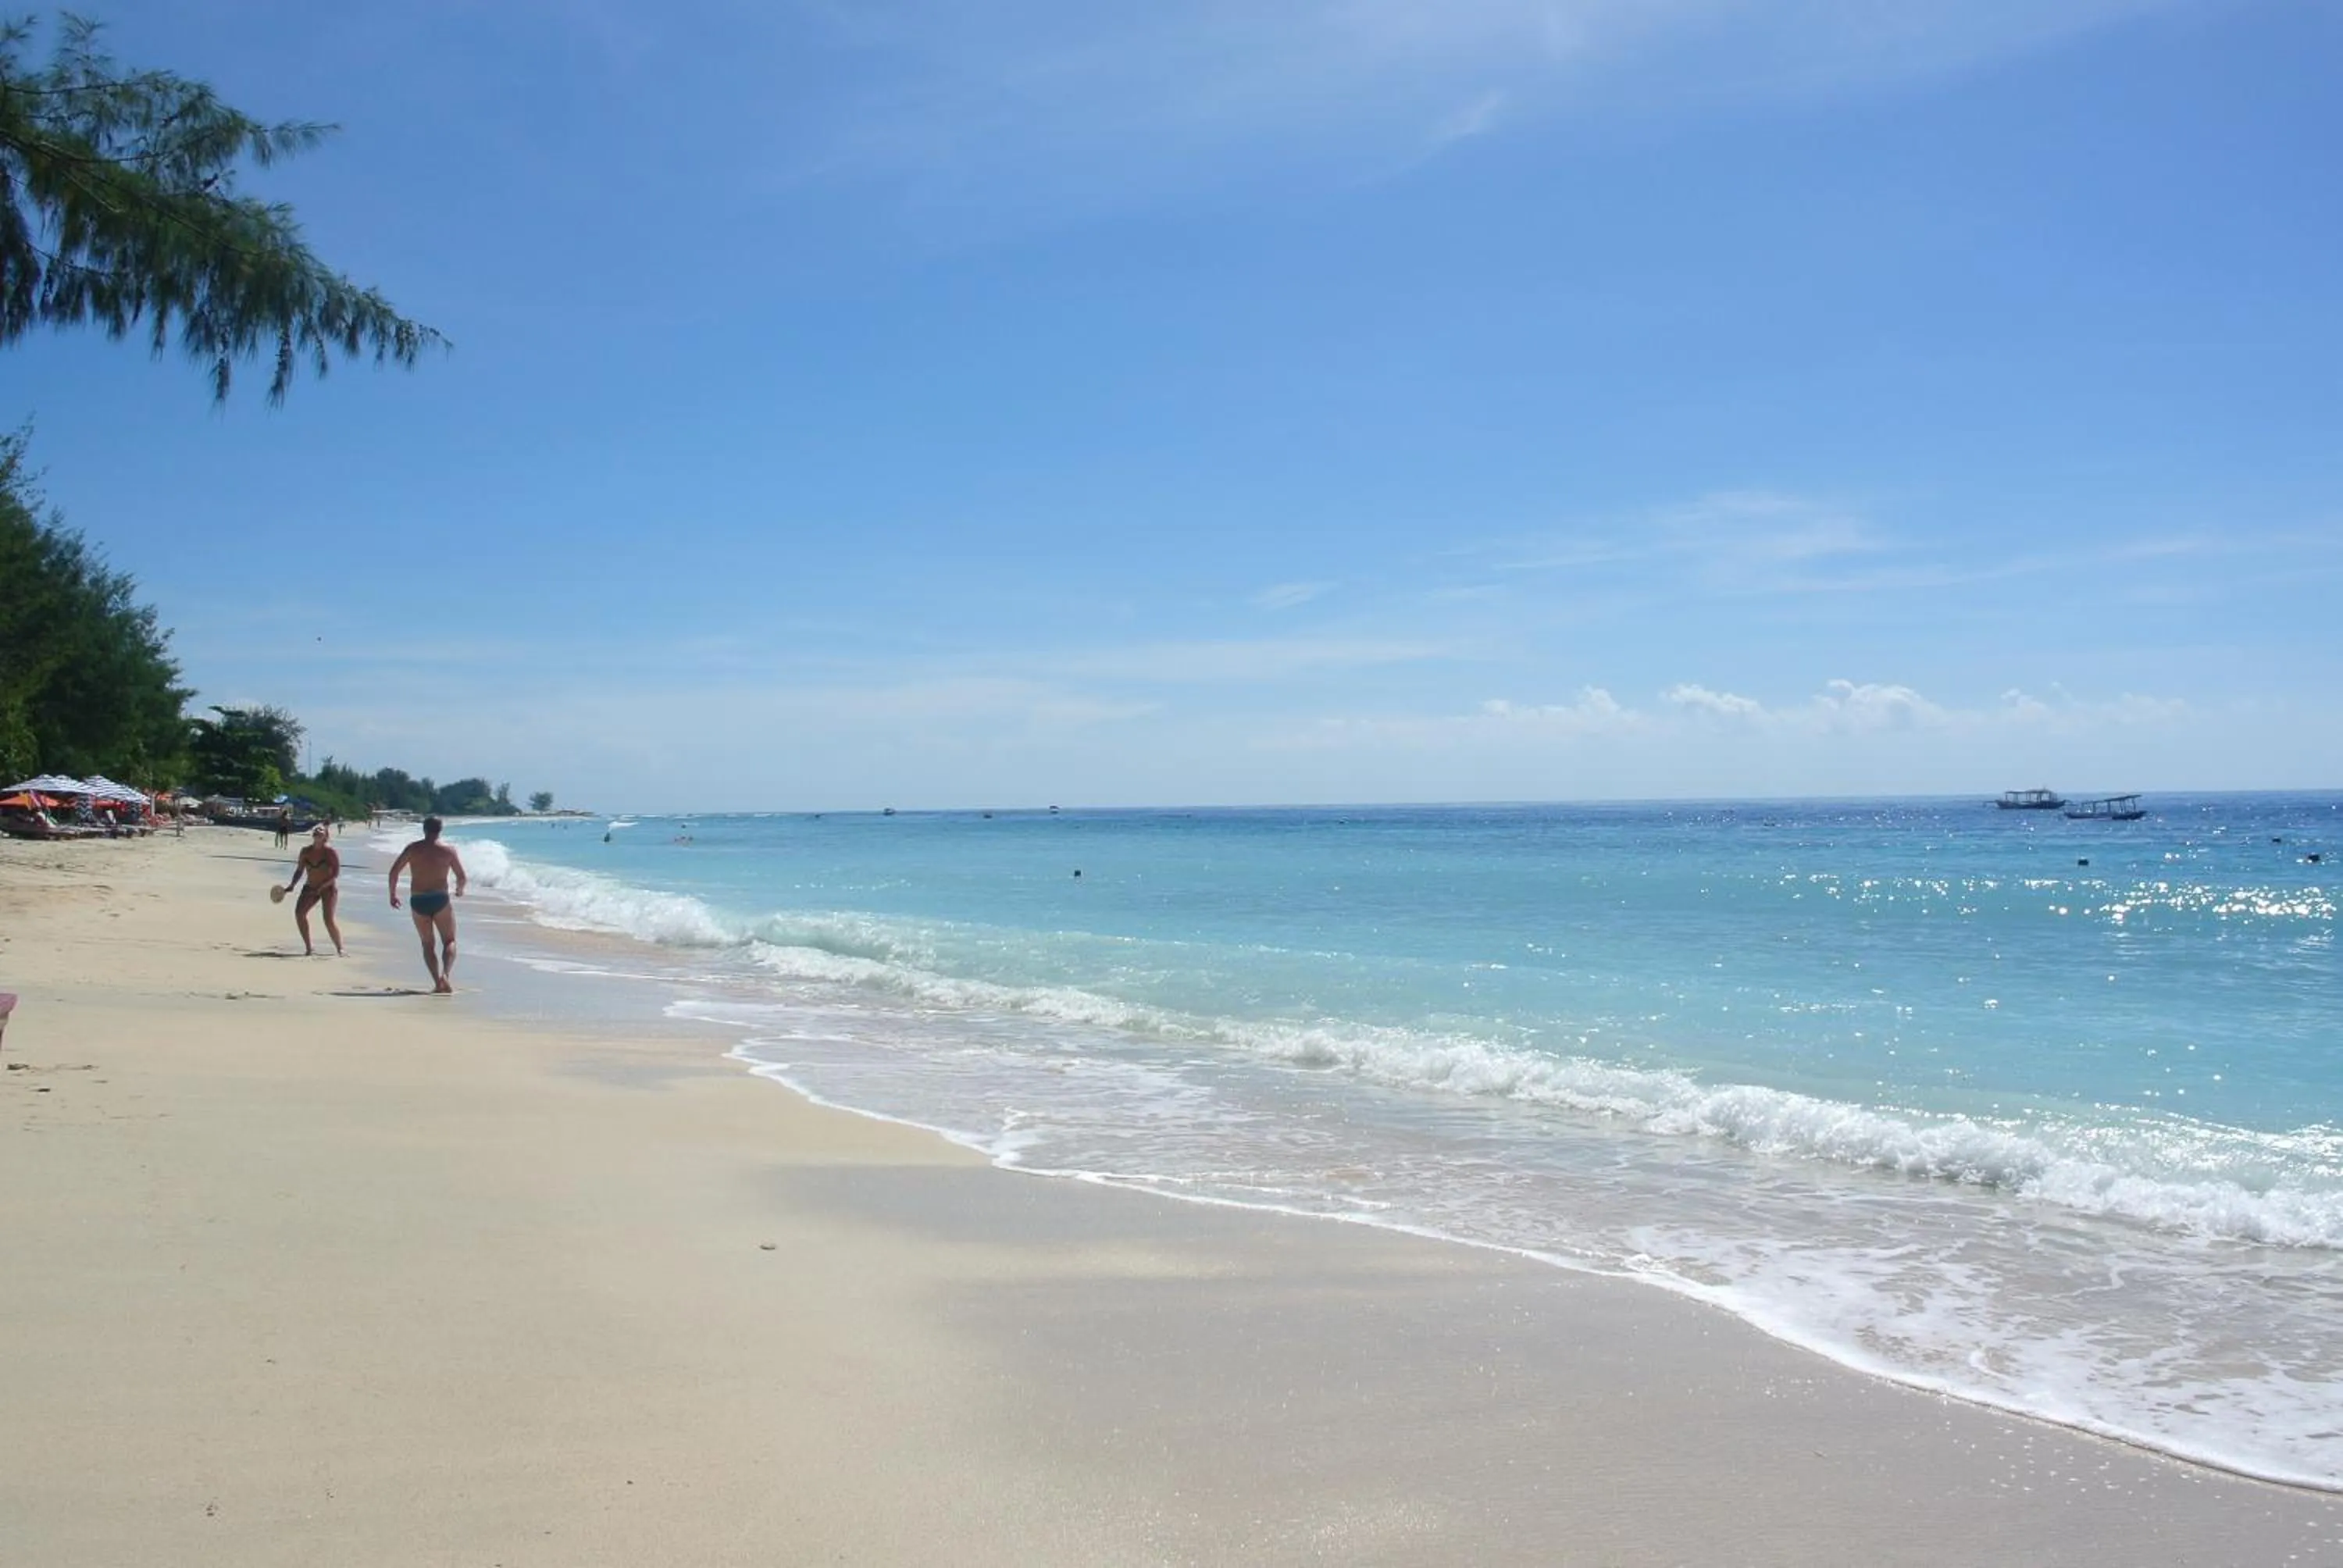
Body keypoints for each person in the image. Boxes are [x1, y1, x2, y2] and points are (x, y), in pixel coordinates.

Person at [387, 815, 468, 994]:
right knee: (450, 940)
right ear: (440, 830)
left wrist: (392, 895)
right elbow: (462, 877)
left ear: (424, 829)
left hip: (418, 900)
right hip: (440, 899)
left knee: (427, 944)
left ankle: (436, 981)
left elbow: (394, 872)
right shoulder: (448, 851)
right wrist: (459, 890)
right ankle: (445, 975)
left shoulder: (413, 849)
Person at [280, 823, 344, 957]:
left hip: (328, 888)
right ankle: (309, 948)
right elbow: (299, 870)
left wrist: (323, 886)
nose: (317, 831)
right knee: (299, 914)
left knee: (328, 919)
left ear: (325, 836)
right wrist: (292, 884)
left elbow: (336, 874)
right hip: (310, 887)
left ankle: (340, 948)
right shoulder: (305, 851)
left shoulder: (330, 852)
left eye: (321, 830)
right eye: (316, 830)